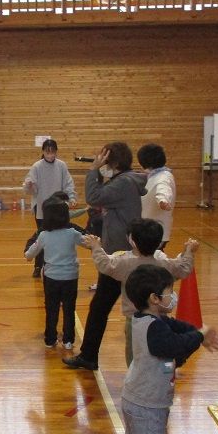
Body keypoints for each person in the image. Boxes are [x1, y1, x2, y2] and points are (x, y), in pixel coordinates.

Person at [114, 264, 217, 434]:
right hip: (149, 403)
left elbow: (178, 327)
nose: (173, 296)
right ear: (154, 299)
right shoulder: (155, 329)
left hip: (134, 397)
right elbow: (175, 345)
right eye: (169, 292)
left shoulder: (145, 319)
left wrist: (196, 333)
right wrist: (200, 336)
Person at [64, 142, 146, 372]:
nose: (101, 164)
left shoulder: (123, 183)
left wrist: (93, 171)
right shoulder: (125, 182)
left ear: (115, 163)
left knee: (106, 308)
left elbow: (93, 196)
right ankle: (89, 355)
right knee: (102, 306)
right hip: (120, 254)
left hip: (120, 257)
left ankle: (93, 356)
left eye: (104, 160)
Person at [82, 218, 197, 366]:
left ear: (132, 241)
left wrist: (95, 246)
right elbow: (183, 268)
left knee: (134, 360)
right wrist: (188, 251)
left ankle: (137, 384)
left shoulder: (125, 262)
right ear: (160, 242)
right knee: (157, 356)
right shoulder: (163, 262)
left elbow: (105, 264)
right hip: (160, 320)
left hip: (134, 321)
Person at [24, 198, 87, 351]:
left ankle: (50, 339)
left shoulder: (44, 235)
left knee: (51, 309)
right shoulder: (72, 233)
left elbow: (30, 254)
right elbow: (88, 243)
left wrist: (28, 254)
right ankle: (68, 340)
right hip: (70, 277)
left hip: (52, 278)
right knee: (69, 309)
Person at [23, 139, 76, 278]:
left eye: (53, 152)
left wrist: (71, 197)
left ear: (56, 152)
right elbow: (30, 190)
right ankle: (38, 266)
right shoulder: (37, 167)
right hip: (42, 209)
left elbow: (68, 183)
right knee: (42, 236)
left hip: (59, 210)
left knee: (59, 236)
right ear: (43, 152)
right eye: (48, 151)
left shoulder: (61, 166)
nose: (50, 154)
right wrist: (29, 186)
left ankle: (54, 264)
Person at [137, 143, 176, 249]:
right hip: (149, 229)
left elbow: (163, 189)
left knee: (152, 261)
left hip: (156, 232)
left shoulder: (163, 177)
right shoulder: (153, 175)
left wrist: (163, 200)